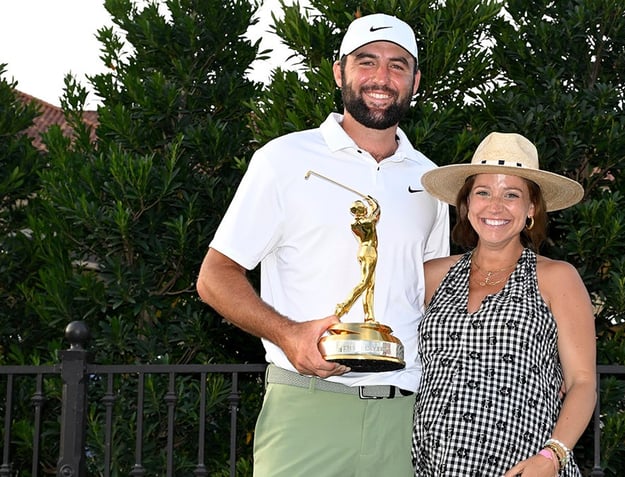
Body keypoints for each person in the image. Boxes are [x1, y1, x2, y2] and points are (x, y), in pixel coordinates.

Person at [196, 13, 450, 476]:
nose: (381, 77)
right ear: (339, 72)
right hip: (306, 407)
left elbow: (433, 295)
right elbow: (215, 277)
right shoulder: (283, 160)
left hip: (405, 416)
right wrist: (288, 334)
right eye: (366, 61)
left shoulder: (430, 181)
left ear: (416, 80)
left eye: (398, 65)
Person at [413, 132, 597, 477]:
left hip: (525, 467)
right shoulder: (431, 276)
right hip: (434, 465)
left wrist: (552, 455)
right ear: (466, 205)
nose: (495, 206)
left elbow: (583, 381)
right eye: (483, 192)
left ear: (531, 209)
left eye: (511, 195)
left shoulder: (557, 278)